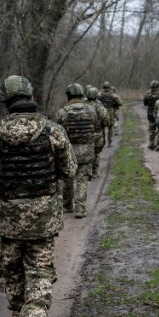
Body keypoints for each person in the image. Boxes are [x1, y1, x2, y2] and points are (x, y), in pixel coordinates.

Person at [0, 75, 77, 317]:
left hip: (8, 216)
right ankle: (32, 316)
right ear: (31, 96)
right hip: (43, 216)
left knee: (12, 267)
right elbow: (70, 170)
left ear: (6, 101)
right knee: (40, 269)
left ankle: (18, 313)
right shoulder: (53, 130)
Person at [56, 83, 100, 218]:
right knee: (82, 180)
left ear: (68, 96)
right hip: (86, 151)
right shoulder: (91, 110)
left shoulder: (62, 112)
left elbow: (57, 132)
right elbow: (95, 127)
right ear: (82, 95)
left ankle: (67, 206)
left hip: (68, 153)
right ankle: (80, 208)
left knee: (67, 180)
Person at [84, 84, 111, 178]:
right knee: (96, 153)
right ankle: (95, 172)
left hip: (85, 133)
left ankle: (88, 172)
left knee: (86, 153)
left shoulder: (83, 105)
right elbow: (107, 121)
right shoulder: (100, 106)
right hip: (98, 133)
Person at [143, 80, 159, 149]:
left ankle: (151, 144)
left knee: (152, 130)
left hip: (150, 115)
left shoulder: (147, 95)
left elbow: (145, 103)